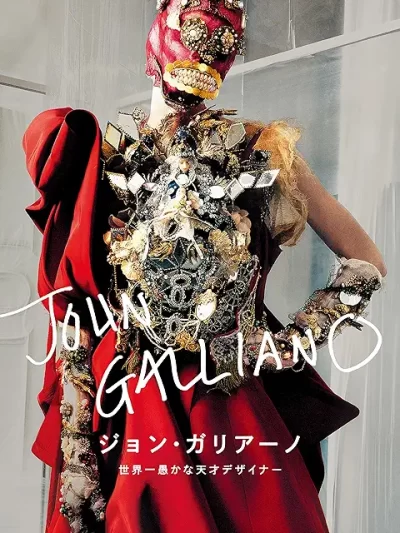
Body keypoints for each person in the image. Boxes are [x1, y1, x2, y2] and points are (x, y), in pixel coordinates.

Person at [23, 1, 386, 532]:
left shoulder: (262, 153)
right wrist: (78, 447)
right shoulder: (101, 162)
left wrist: (289, 344)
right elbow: (73, 311)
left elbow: (366, 261)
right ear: (157, 38)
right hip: (127, 407)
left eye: (222, 43)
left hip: (225, 403)